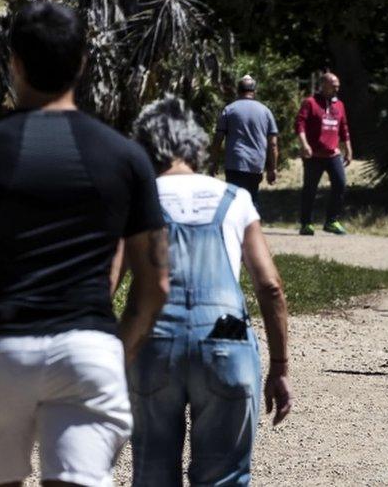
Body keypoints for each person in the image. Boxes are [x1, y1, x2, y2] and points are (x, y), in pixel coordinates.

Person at [0, 1, 170, 486]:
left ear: (15, 63)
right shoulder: (126, 157)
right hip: (88, 348)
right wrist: (119, 349)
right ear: (83, 63)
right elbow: (155, 283)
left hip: (2, 348)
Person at [129, 95, 292, 486]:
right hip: (227, 334)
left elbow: (106, 284)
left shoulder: (139, 198)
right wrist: (280, 367)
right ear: (196, 145)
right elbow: (270, 286)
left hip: (156, 339)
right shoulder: (236, 199)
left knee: (153, 473)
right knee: (226, 475)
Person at [210, 74, 279, 208]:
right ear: (255, 91)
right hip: (255, 164)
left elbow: (218, 138)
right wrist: (273, 168)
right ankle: (252, 226)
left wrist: (213, 161)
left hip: (234, 163)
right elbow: (273, 143)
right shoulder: (265, 111)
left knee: (233, 201)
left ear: (238, 91)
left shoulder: (229, 109)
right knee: (252, 199)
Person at [295, 72, 352, 236]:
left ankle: (332, 221)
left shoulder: (339, 105)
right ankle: (306, 223)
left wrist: (348, 148)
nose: (337, 88)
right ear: (323, 85)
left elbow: (344, 128)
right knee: (310, 189)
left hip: (333, 154)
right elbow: (300, 124)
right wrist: (304, 144)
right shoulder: (310, 103)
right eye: (333, 85)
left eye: (338, 85)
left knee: (340, 184)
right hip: (314, 155)